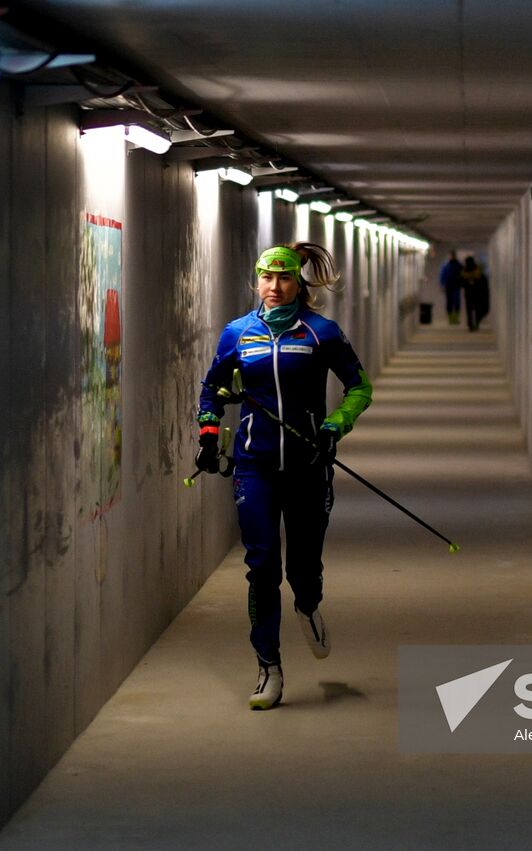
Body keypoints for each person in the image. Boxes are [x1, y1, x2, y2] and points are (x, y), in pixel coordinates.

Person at [196, 243, 373, 710]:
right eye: (266, 278)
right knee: (262, 568)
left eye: (285, 279)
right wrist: (209, 431)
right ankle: (268, 668)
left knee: (302, 569)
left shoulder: (321, 333)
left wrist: (337, 424)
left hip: (308, 465)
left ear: (300, 283)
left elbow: (360, 387)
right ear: (256, 280)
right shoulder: (238, 333)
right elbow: (212, 386)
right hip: (253, 466)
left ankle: (308, 602)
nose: (275, 288)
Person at [461, 255, 490, 331]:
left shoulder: (465, 271)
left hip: (471, 294)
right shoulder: (478, 271)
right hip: (476, 294)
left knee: (470, 310)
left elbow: (461, 282)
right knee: (476, 310)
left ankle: (471, 324)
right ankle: (474, 324)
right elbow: (484, 283)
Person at [439, 250, 463, 325]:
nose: (451, 257)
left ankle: (455, 319)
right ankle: (451, 319)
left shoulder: (459, 265)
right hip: (449, 286)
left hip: (456, 286)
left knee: (457, 303)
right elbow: (443, 276)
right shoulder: (446, 266)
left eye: (452, 255)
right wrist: (442, 285)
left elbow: (462, 275)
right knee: (449, 303)